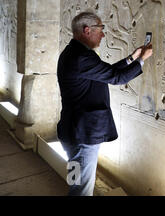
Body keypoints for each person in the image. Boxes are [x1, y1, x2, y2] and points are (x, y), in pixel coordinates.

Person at [56, 11, 153, 196]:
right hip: (82, 136)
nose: (102, 34)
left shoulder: (74, 53)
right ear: (87, 30)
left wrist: (131, 58)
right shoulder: (82, 57)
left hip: (72, 132)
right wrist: (142, 61)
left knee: (76, 182)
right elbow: (116, 78)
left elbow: (105, 73)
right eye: (100, 29)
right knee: (81, 189)